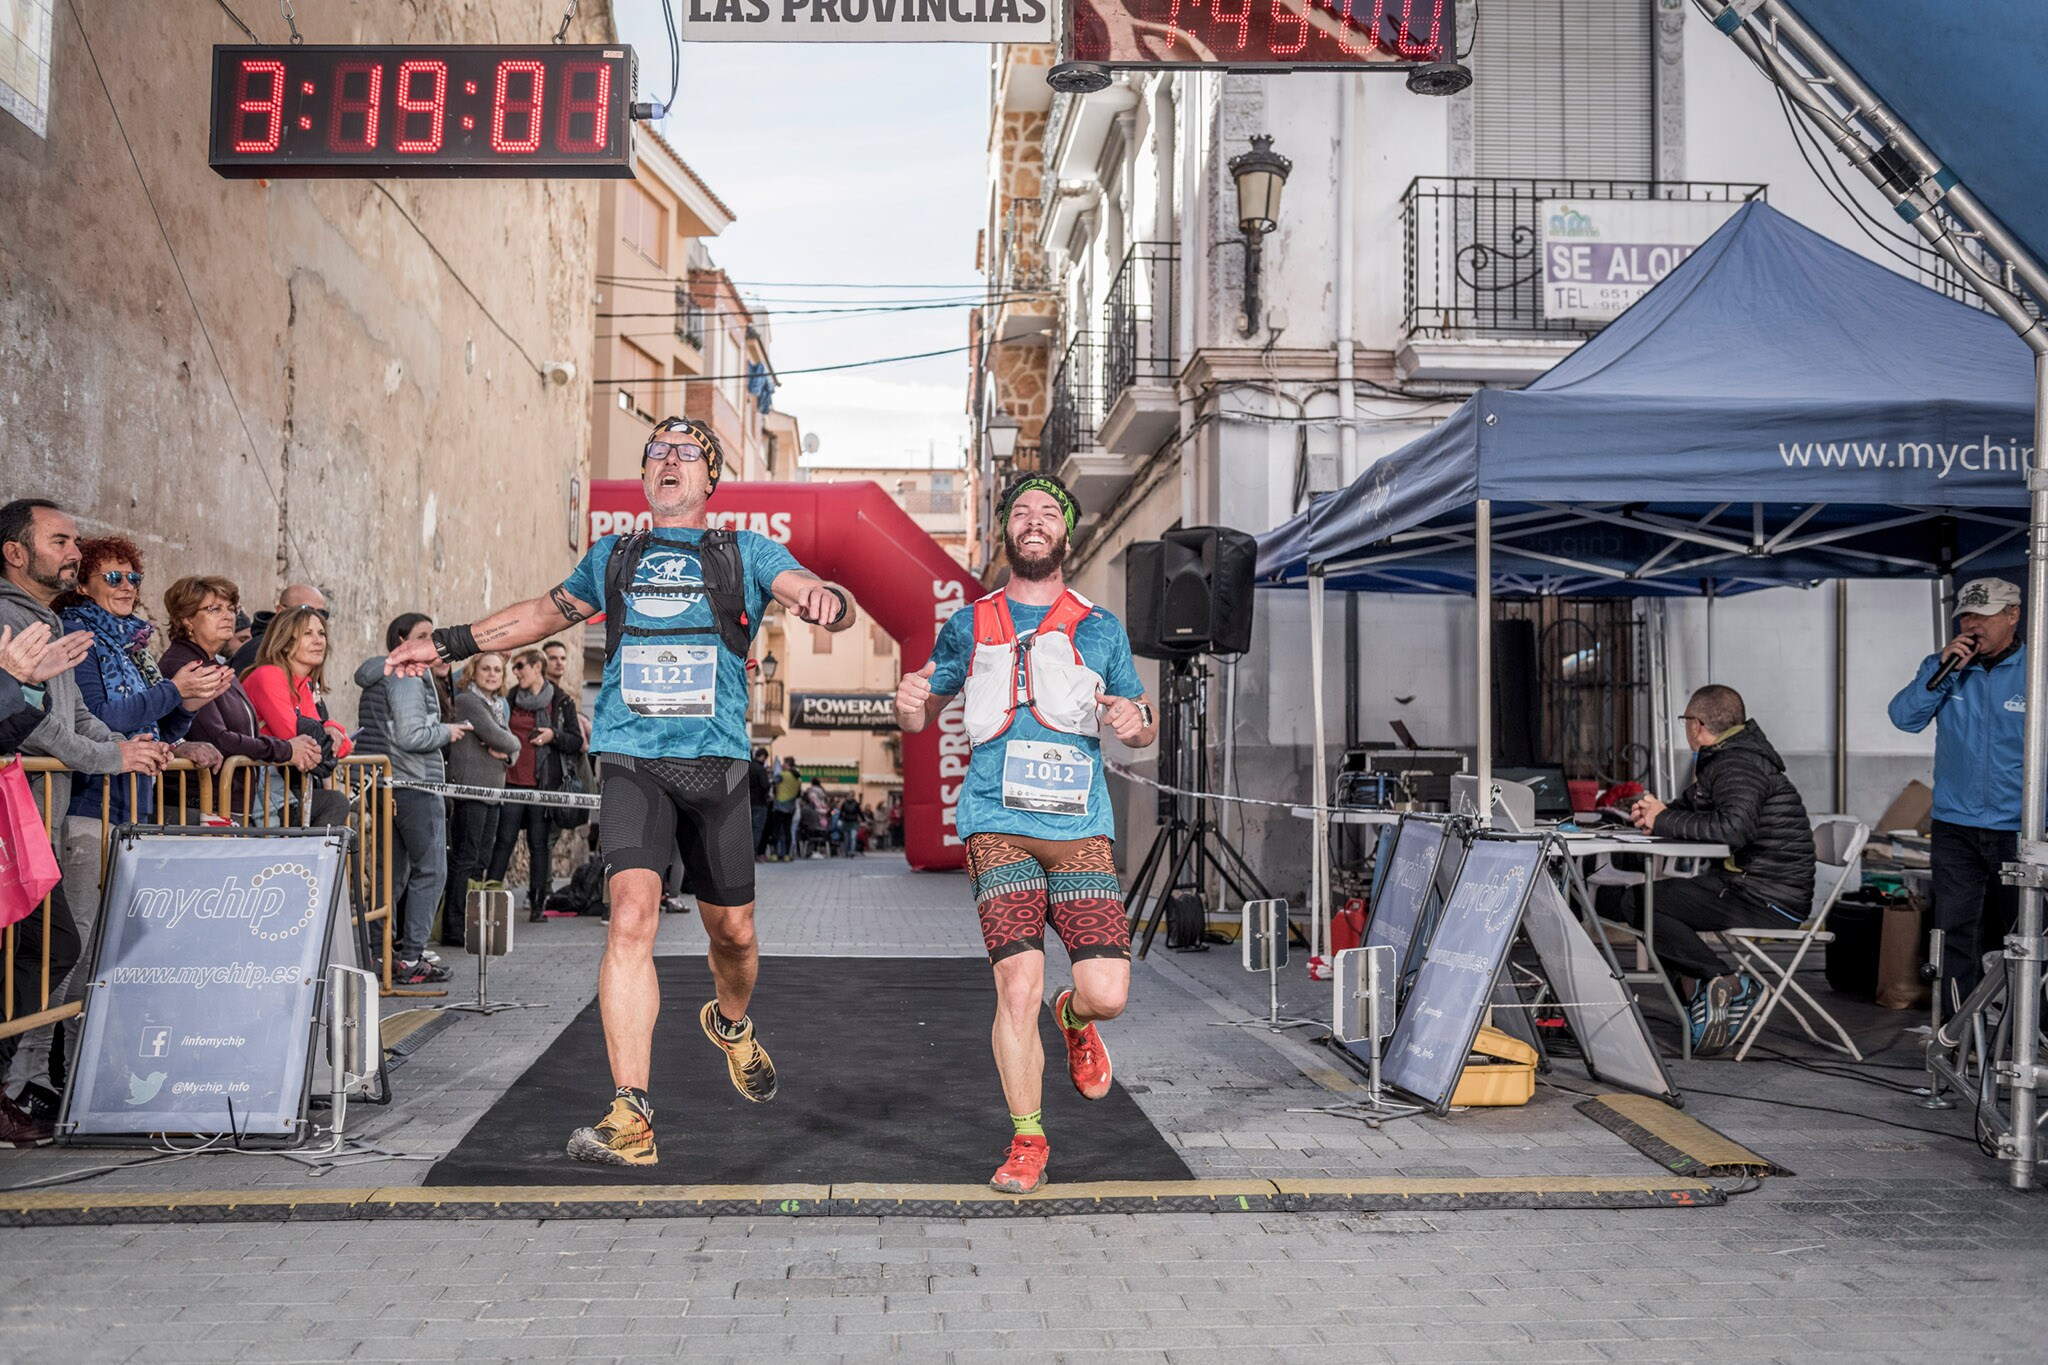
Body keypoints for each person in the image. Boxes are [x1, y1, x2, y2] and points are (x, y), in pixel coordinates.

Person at [385, 414, 857, 1168]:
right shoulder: (614, 556)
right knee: (630, 918)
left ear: (708, 479)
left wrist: (822, 598)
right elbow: (539, 614)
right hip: (633, 759)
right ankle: (631, 1114)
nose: (668, 460)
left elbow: (802, 584)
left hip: (718, 765)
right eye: (656, 452)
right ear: (645, 476)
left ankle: (730, 1024)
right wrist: (446, 643)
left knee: (733, 935)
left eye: (684, 452)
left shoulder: (744, 550)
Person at [894, 473, 1157, 1194]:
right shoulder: (968, 623)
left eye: (1048, 513)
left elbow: (1136, 717)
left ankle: (1074, 1018)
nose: (1034, 522)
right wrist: (909, 701)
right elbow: (921, 713)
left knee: (1110, 990)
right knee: (1017, 984)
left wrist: (1137, 722)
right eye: (1021, 513)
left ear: (1066, 534)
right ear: (1006, 533)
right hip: (996, 822)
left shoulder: (1100, 627)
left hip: (1078, 828)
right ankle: (1028, 1139)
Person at [0, 500, 170, 1144]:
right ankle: (18, 1084)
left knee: (59, 952)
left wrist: (135, 749)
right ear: (16, 552)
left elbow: (72, 714)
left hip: (40, 821)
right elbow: (35, 724)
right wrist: (112, 753)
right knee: (52, 953)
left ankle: (31, 1083)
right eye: (60, 540)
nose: (73, 551)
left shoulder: (43, 618)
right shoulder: (10, 619)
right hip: (37, 817)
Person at [1599, 685, 1816, 1056]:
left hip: (1767, 896)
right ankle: (1700, 989)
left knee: (1640, 904)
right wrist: (1657, 813)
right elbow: (1695, 811)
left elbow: (1734, 829)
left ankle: (1727, 984)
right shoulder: (1729, 758)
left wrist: (1665, 819)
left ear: (1697, 725)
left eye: (1687, 721)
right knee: (1625, 901)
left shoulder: (1737, 763)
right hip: (1752, 885)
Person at [1889, 577, 2027, 1001]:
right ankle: (1956, 1031)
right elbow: (1904, 718)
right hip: (1954, 826)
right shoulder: (1944, 668)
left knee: (2023, 936)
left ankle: (2029, 1032)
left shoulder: (2036, 670)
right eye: (1966, 616)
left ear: (2012, 615)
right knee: (1954, 933)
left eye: (1982, 616)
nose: (1972, 626)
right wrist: (1940, 671)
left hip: (2019, 829)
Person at [57, 536, 229, 834]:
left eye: (133, 578)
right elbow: (97, 717)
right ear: (82, 586)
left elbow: (158, 730)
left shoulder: (133, 644)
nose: (127, 586)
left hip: (134, 801)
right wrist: (174, 690)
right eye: (113, 578)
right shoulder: (76, 634)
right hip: (91, 803)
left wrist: (188, 705)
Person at [355, 614, 468, 979]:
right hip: (415, 785)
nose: (431, 642)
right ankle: (410, 957)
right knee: (432, 871)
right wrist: (446, 731)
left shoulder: (379, 674)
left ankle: (375, 955)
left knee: (392, 875)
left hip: (386, 785)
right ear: (401, 640)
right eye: (422, 636)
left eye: (432, 635)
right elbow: (411, 735)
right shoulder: (407, 676)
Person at [160, 576, 323, 818]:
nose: (228, 616)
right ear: (187, 619)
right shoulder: (185, 665)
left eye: (231, 608)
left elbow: (248, 732)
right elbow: (219, 739)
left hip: (229, 801)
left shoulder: (215, 665)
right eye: (215, 609)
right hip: (197, 805)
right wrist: (286, 749)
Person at [487, 648, 585, 921]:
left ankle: (538, 904)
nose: (515, 672)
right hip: (511, 781)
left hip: (543, 784)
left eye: (520, 666)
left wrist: (553, 736)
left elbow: (575, 741)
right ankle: (490, 899)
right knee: (504, 841)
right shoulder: (510, 699)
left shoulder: (560, 701)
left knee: (539, 844)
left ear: (537, 668)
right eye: (515, 668)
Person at [444, 652, 518, 954]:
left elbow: (507, 744)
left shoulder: (498, 706)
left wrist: (509, 750)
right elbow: (505, 740)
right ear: (473, 672)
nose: (491, 674)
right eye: (486, 668)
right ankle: (453, 926)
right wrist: (510, 747)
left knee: (481, 861)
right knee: (466, 857)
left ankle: (471, 922)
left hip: (493, 792)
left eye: (497, 670)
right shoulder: (468, 702)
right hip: (471, 791)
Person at [242, 605, 353, 806]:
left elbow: (342, 745)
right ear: (285, 643)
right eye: (307, 634)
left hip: (283, 784)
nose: (318, 641)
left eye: (321, 633)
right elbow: (299, 739)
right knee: (335, 804)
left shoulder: (305, 683)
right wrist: (327, 730)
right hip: (259, 789)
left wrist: (332, 728)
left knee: (335, 805)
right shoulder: (269, 675)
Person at [229, 582, 326, 674]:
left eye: (321, 613)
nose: (314, 617)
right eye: (306, 610)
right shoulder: (260, 651)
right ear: (281, 611)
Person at [768, 758, 801, 861]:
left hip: (779, 806)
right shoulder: (798, 779)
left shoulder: (783, 775)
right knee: (787, 831)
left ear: (788, 764)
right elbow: (798, 794)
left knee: (776, 831)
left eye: (784, 763)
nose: (782, 765)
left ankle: (774, 854)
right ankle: (787, 854)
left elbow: (772, 781)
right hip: (791, 808)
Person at [748, 746, 773, 860]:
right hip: (760, 803)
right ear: (763, 756)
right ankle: (753, 854)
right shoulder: (760, 769)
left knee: (748, 829)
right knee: (757, 829)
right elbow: (765, 785)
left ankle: (745, 855)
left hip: (748, 802)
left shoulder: (748, 766)